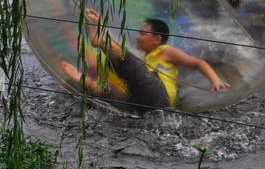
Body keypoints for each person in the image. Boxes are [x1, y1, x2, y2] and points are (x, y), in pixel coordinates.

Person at [62, 8, 232, 109]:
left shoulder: (165, 51)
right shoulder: (148, 59)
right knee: (109, 90)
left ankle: (99, 40)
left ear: (157, 39)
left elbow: (198, 63)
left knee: (126, 62)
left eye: (143, 34)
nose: (138, 37)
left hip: (159, 96)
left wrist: (215, 81)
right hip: (141, 104)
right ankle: (86, 81)